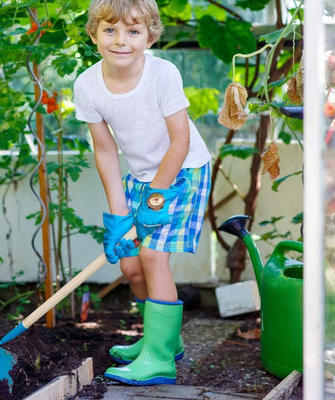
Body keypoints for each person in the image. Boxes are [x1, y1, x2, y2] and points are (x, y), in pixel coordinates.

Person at [73, 0, 212, 386]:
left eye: (133, 31)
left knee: (152, 257)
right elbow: (105, 150)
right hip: (140, 177)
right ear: (93, 34)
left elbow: (180, 141)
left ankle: (159, 360)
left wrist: (157, 198)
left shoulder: (162, 74)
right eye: (110, 30)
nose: (121, 41)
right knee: (130, 263)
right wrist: (119, 216)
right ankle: (162, 339)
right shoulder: (86, 85)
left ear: (149, 36)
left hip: (183, 171)